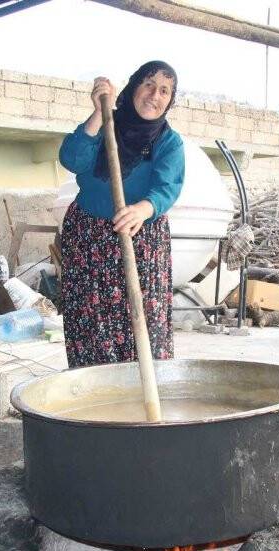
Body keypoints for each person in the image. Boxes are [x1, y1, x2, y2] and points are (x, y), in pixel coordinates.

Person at [57, 61, 185, 369]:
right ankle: (95, 396)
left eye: (165, 91)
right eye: (149, 84)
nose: (155, 95)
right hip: (88, 239)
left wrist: (143, 208)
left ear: (170, 101)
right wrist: (100, 114)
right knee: (90, 321)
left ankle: (141, 396)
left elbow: (167, 187)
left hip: (140, 240)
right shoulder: (106, 126)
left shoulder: (169, 142)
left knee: (139, 321)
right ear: (134, 87)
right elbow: (72, 159)